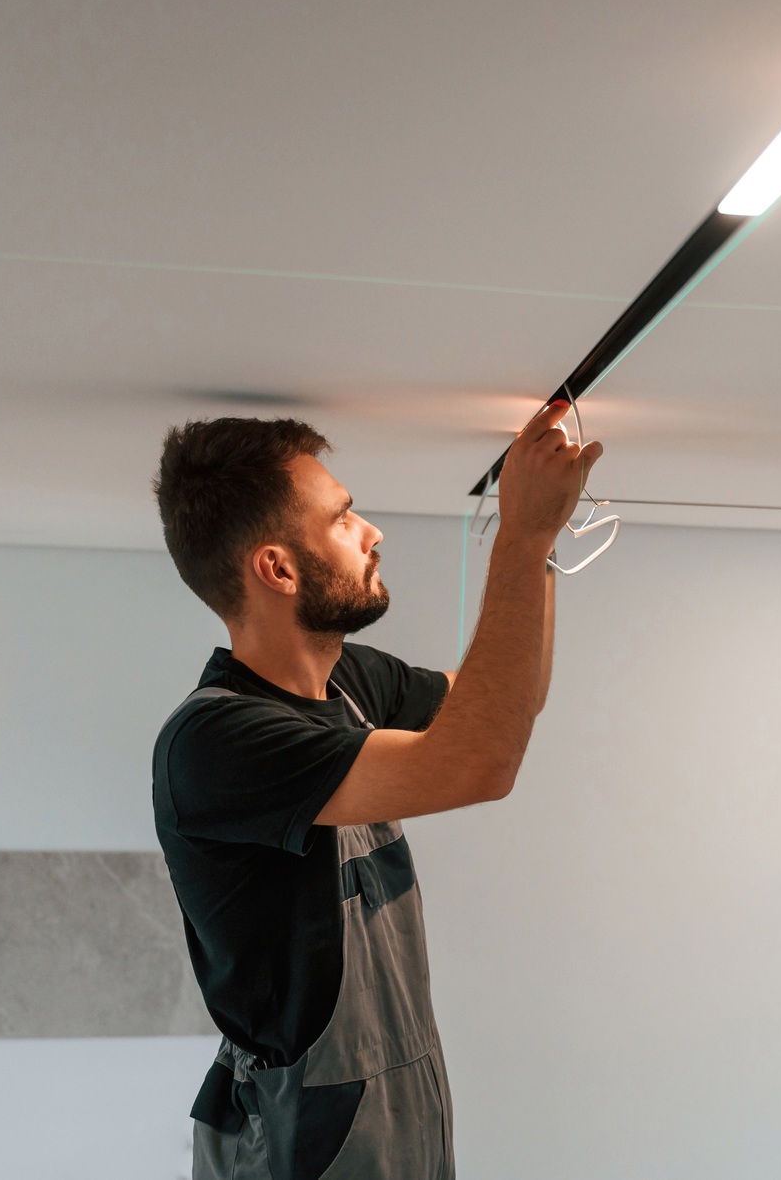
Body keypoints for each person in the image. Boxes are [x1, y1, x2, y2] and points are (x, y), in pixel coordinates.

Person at [148, 403, 600, 1180]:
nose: (372, 532)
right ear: (278, 569)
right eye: (344, 517)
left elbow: (509, 702)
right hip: (307, 1131)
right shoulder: (215, 745)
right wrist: (520, 538)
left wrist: (543, 543)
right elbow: (480, 763)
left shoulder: (346, 680)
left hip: (399, 1096)